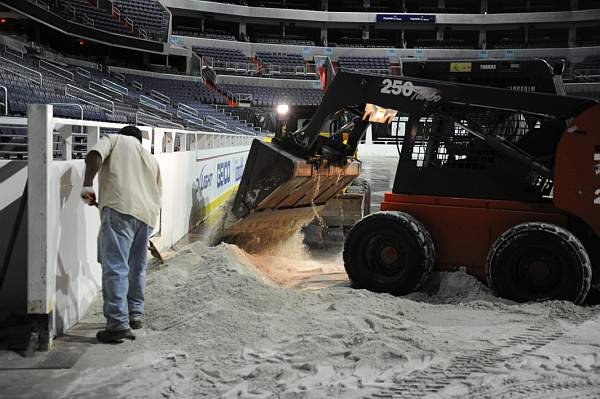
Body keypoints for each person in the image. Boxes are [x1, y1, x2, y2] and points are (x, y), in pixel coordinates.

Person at [81, 126, 162, 343]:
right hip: (146, 217)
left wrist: (87, 184)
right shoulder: (150, 159)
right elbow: (155, 194)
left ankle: (117, 324)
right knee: (137, 267)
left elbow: (95, 155)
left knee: (116, 266)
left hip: (119, 209)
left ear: (124, 134)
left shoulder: (115, 139)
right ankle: (135, 314)